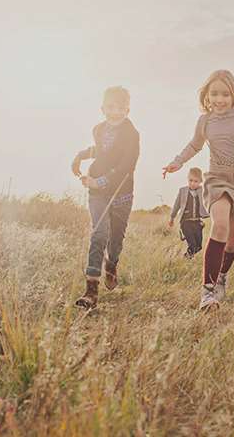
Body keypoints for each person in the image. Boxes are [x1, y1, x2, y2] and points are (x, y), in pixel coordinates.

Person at [163, 70, 234, 310]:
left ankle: (221, 276)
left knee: (231, 242)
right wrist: (178, 162)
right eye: (214, 94)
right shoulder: (205, 121)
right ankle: (207, 292)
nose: (219, 99)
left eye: (225, 94)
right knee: (219, 225)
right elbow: (194, 145)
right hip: (218, 178)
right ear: (207, 96)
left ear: (233, 95)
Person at [71, 86, 140, 309]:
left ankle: (112, 264)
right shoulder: (98, 129)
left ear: (127, 110)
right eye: (111, 107)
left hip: (121, 192)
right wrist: (80, 156)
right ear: (103, 108)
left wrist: (101, 181)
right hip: (97, 193)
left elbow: (126, 164)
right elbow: (101, 150)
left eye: (121, 108)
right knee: (99, 233)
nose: (115, 112)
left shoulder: (132, 134)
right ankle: (91, 290)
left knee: (116, 240)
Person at [169, 167, 209, 259]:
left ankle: (187, 257)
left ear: (200, 181)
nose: (192, 183)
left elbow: (210, 198)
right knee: (193, 245)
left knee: (198, 247)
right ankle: (185, 259)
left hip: (197, 223)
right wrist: (172, 217)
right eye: (190, 180)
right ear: (187, 179)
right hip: (185, 222)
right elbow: (176, 205)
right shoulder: (182, 191)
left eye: (196, 181)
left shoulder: (203, 191)